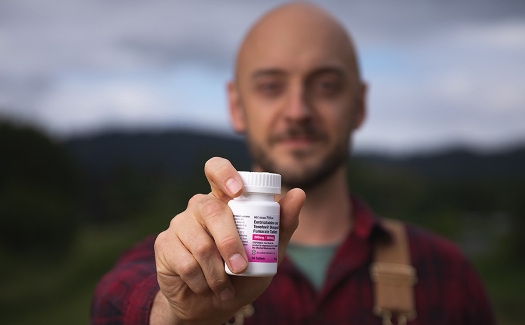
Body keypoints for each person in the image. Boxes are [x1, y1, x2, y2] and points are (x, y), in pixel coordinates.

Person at [91, 2, 494, 324]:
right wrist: (173, 314)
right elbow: (112, 303)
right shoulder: (170, 260)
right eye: (270, 86)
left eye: (325, 86)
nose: (298, 110)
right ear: (236, 106)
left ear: (359, 105)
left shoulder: (447, 273)